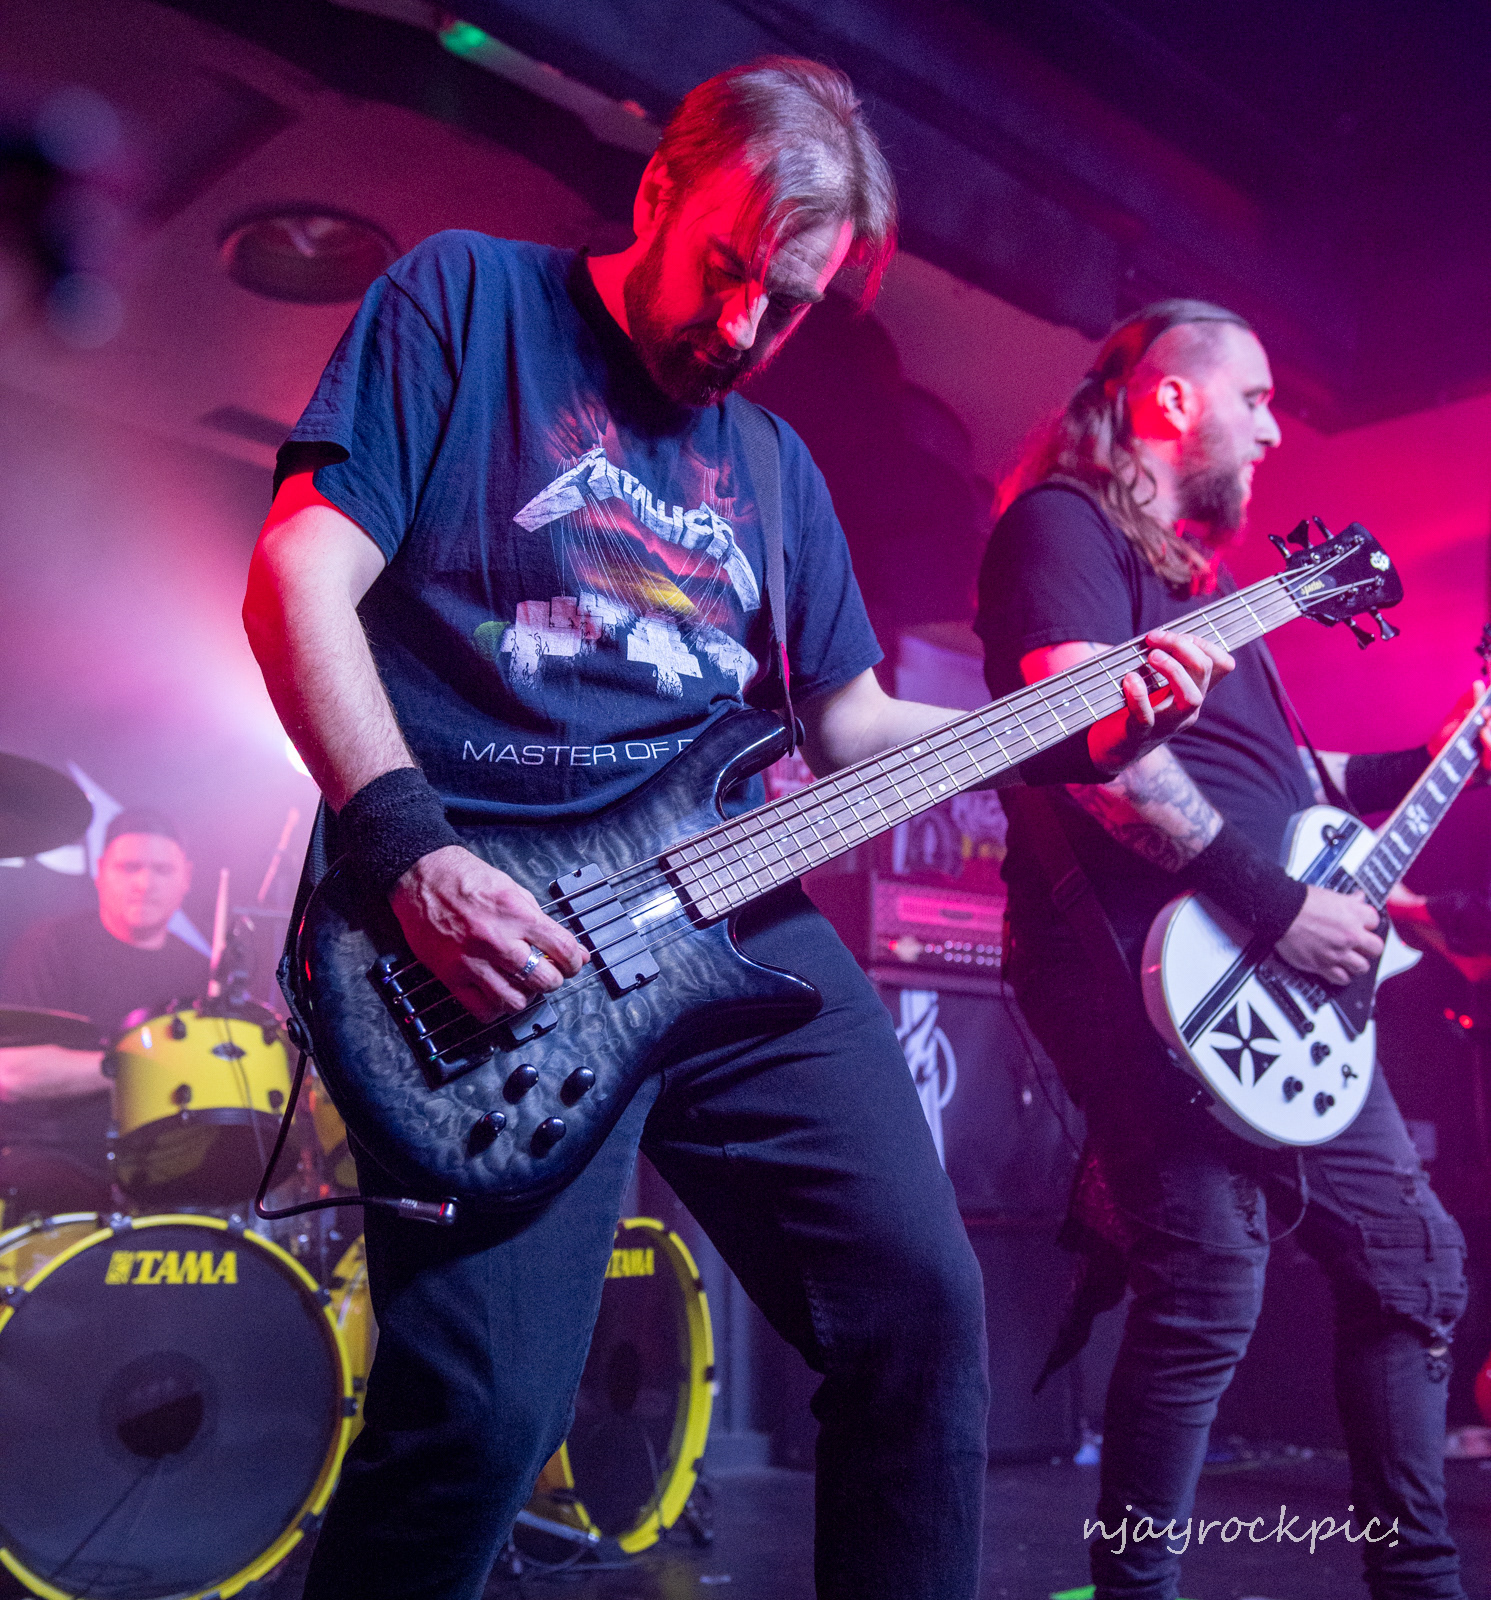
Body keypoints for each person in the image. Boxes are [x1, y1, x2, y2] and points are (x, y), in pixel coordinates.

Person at [242, 60, 1230, 1600]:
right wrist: (408, 848)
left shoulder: (772, 470)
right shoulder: (466, 303)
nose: (743, 327)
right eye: (725, 270)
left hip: (725, 910)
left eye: (788, 306)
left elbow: (853, 734)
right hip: (490, 922)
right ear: (656, 189)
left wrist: (1075, 731)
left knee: (921, 1315)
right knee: (480, 1421)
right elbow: (296, 576)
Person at [976, 298, 1491, 1600]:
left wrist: (1444, 750)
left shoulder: (1214, 595)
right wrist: (1273, 905)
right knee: (1206, 1279)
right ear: (1170, 398)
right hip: (1154, 964)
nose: (1271, 431)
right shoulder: (1065, 528)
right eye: (1254, 400)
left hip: (1277, 976)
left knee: (1410, 1261)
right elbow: (1094, 755)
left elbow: (1294, 780)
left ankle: (1420, 1584)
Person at [0, 808, 207, 1214]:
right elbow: (10, 1073)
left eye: (162, 870)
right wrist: (137, 1068)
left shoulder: (201, 974)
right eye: (129, 867)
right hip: (52, 1164)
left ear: (186, 877)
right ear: (100, 871)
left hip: (162, 1174)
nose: (145, 884)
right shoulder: (51, 946)